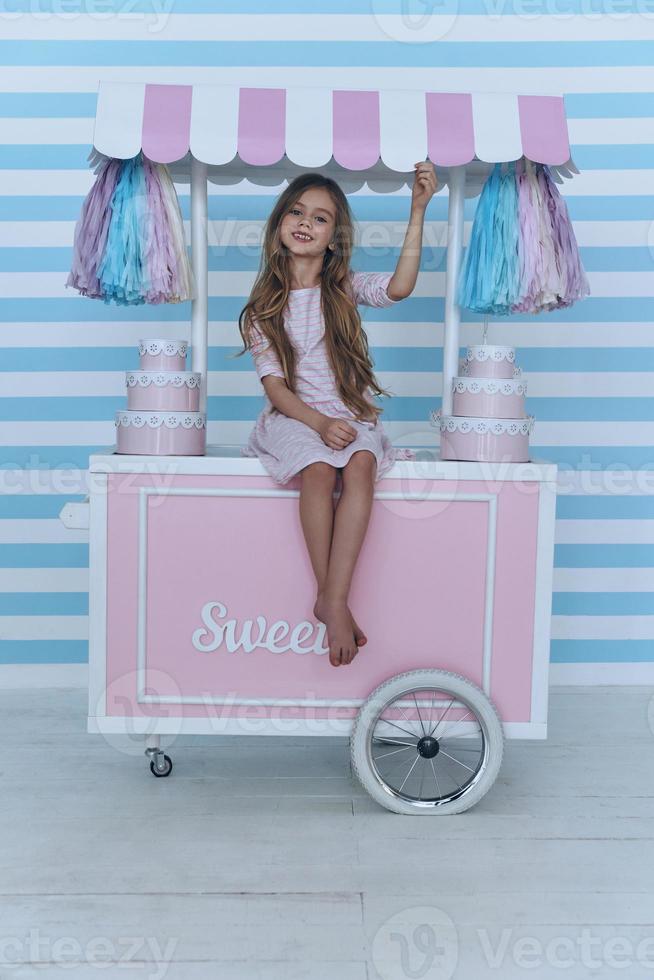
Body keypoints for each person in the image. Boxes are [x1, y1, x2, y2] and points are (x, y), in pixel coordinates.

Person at [236, 163, 438, 668]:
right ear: (280, 223)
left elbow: (399, 287)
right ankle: (332, 597)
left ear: (333, 237)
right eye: (297, 212)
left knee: (362, 463)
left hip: (344, 413)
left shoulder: (342, 288)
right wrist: (318, 425)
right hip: (293, 419)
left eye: (320, 218)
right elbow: (277, 389)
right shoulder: (262, 309)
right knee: (320, 469)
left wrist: (417, 210)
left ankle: (333, 595)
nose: (306, 222)